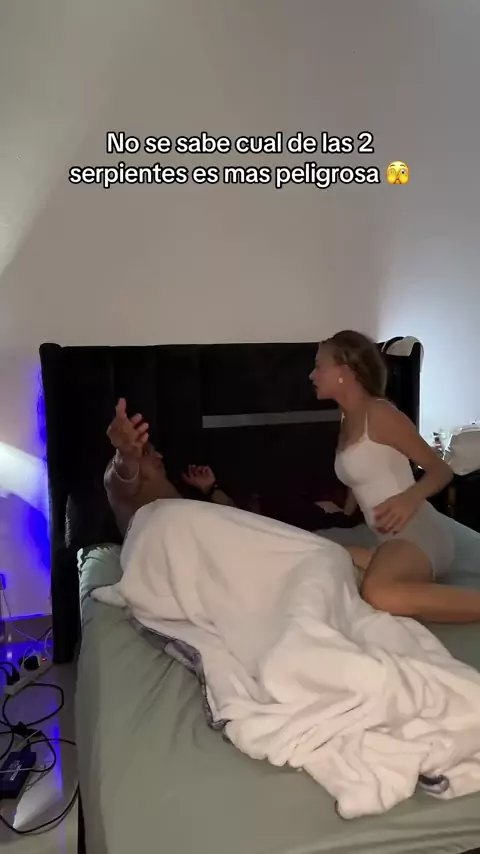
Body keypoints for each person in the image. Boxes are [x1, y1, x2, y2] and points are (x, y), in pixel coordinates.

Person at [311, 329, 480, 623]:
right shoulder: (347, 417)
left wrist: (408, 499)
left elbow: (441, 470)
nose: (312, 375)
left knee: (378, 593)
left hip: (417, 533)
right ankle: (382, 566)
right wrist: (342, 511)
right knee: (310, 549)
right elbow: (361, 473)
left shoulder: (380, 414)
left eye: (319, 366)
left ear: (344, 372)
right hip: (381, 537)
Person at [104, 398, 236, 537]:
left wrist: (210, 488)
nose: (159, 456)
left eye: (154, 451)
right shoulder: (123, 485)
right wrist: (127, 453)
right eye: (146, 453)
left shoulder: (177, 494)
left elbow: (238, 523)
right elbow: (123, 474)